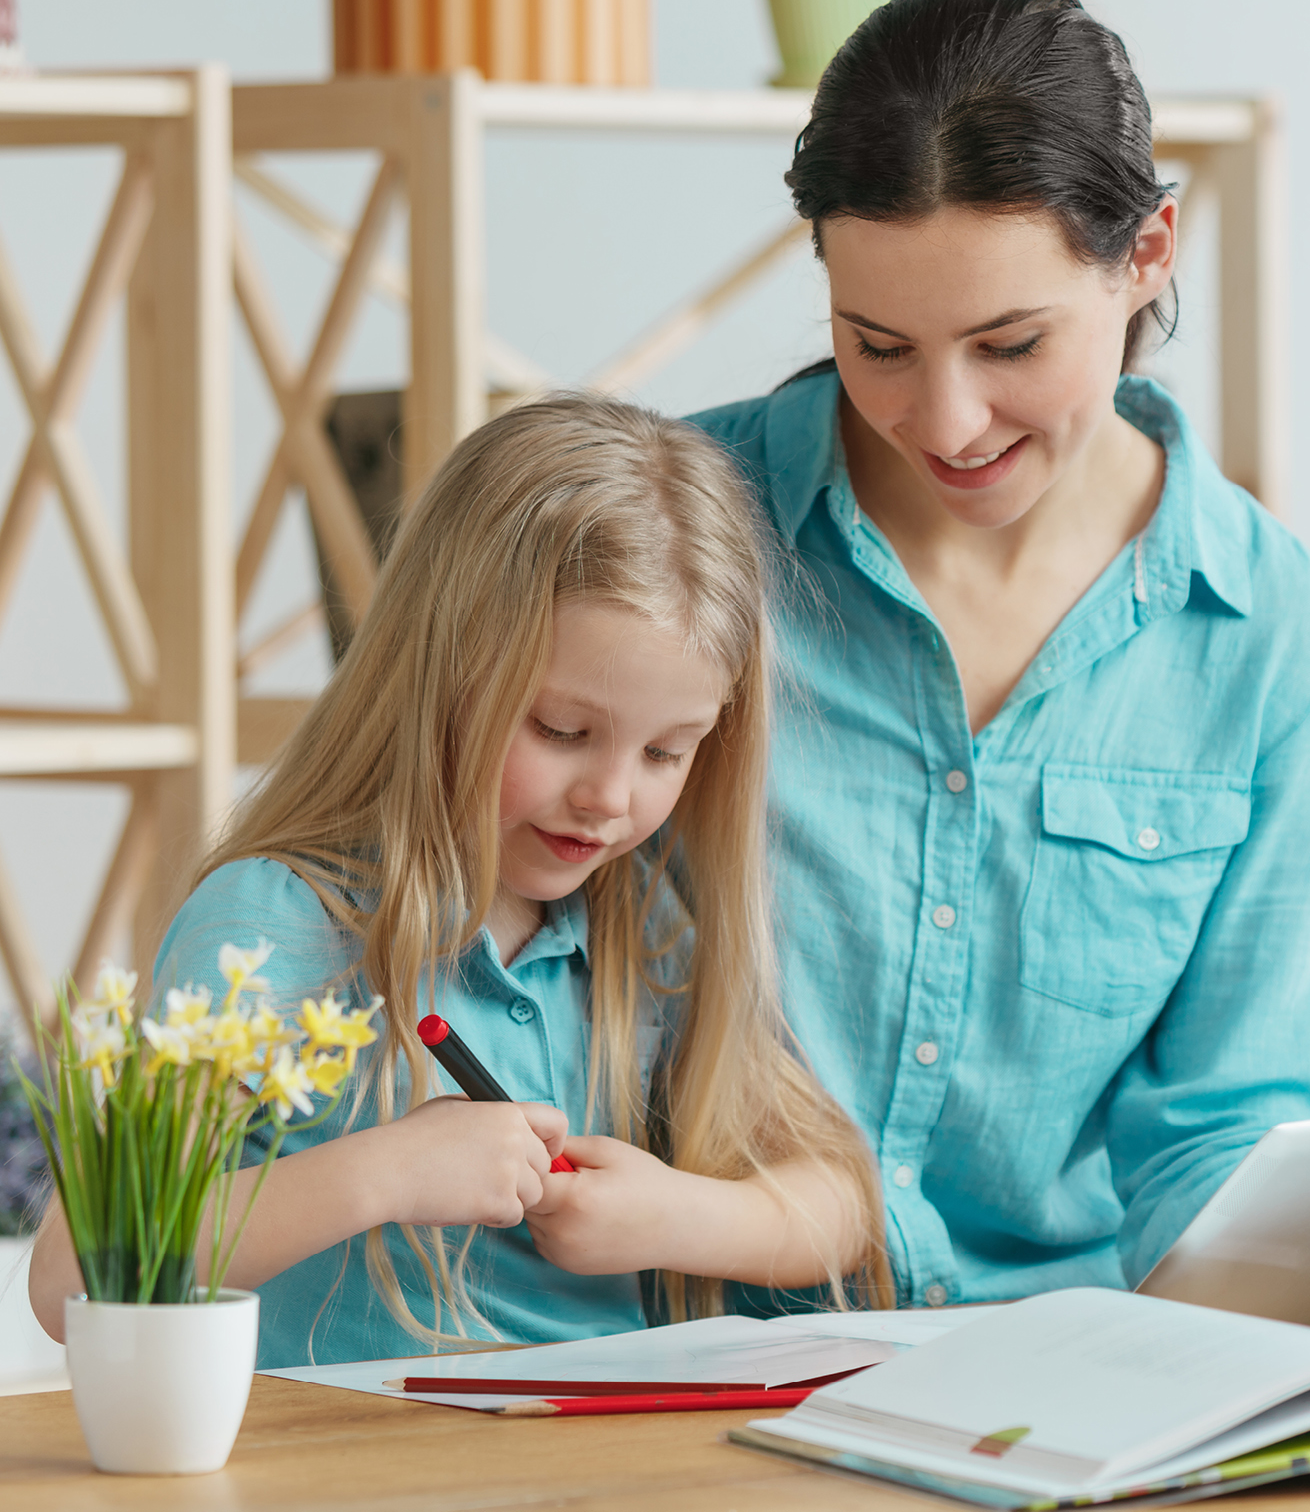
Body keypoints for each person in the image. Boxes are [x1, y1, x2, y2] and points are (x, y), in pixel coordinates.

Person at [696, 0, 1310, 1346]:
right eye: (876, 345)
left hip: (1057, 1362)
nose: (943, 420)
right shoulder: (673, 535)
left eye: (1009, 344)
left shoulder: (1271, 632)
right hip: (674, 1343)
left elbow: (1220, 1112)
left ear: (1145, 252)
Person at [31, 396, 889, 1366]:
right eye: (561, 729)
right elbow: (72, 1275)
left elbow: (844, 1206)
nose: (609, 797)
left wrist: (676, 1216)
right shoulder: (279, 923)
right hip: (360, 1442)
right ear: (437, 674)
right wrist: (383, 1174)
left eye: (667, 750)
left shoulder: (641, 932)